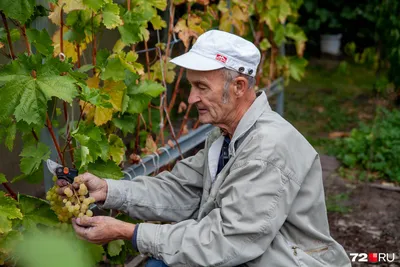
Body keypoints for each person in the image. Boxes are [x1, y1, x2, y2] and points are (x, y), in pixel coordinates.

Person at [57, 30, 351, 267]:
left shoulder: (267, 149)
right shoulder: (227, 135)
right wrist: (108, 191)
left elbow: (228, 240)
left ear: (238, 86)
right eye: (191, 86)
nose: (192, 97)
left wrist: (128, 232)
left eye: (202, 87)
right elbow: (179, 189)